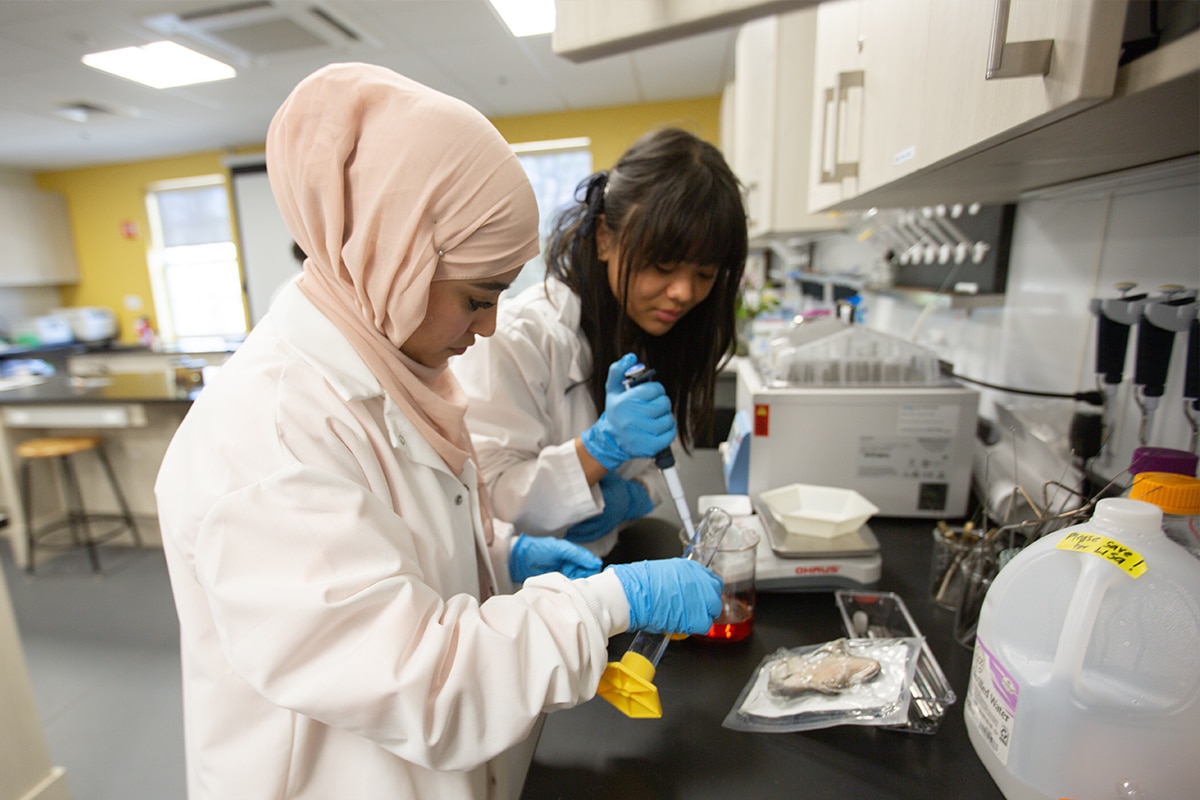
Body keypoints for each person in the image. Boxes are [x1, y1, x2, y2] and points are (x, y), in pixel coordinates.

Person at [154, 63, 722, 800]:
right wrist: (608, 603)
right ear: (393, 262)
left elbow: (397, 547)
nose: (489, 327)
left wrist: (501, 552)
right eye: (478, 298)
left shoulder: (389, 370)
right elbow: (417, 679)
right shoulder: (266, 438)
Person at [453, 127, 748, 556]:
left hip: (610, 564)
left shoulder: (660, 329)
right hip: (528, 596)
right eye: (663, 265)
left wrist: (637, 497)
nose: (684, 292)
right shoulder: (517, 337)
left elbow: (660, 463)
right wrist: (600, 448)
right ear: (606, 238)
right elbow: (490, 500)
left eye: (704, 275)